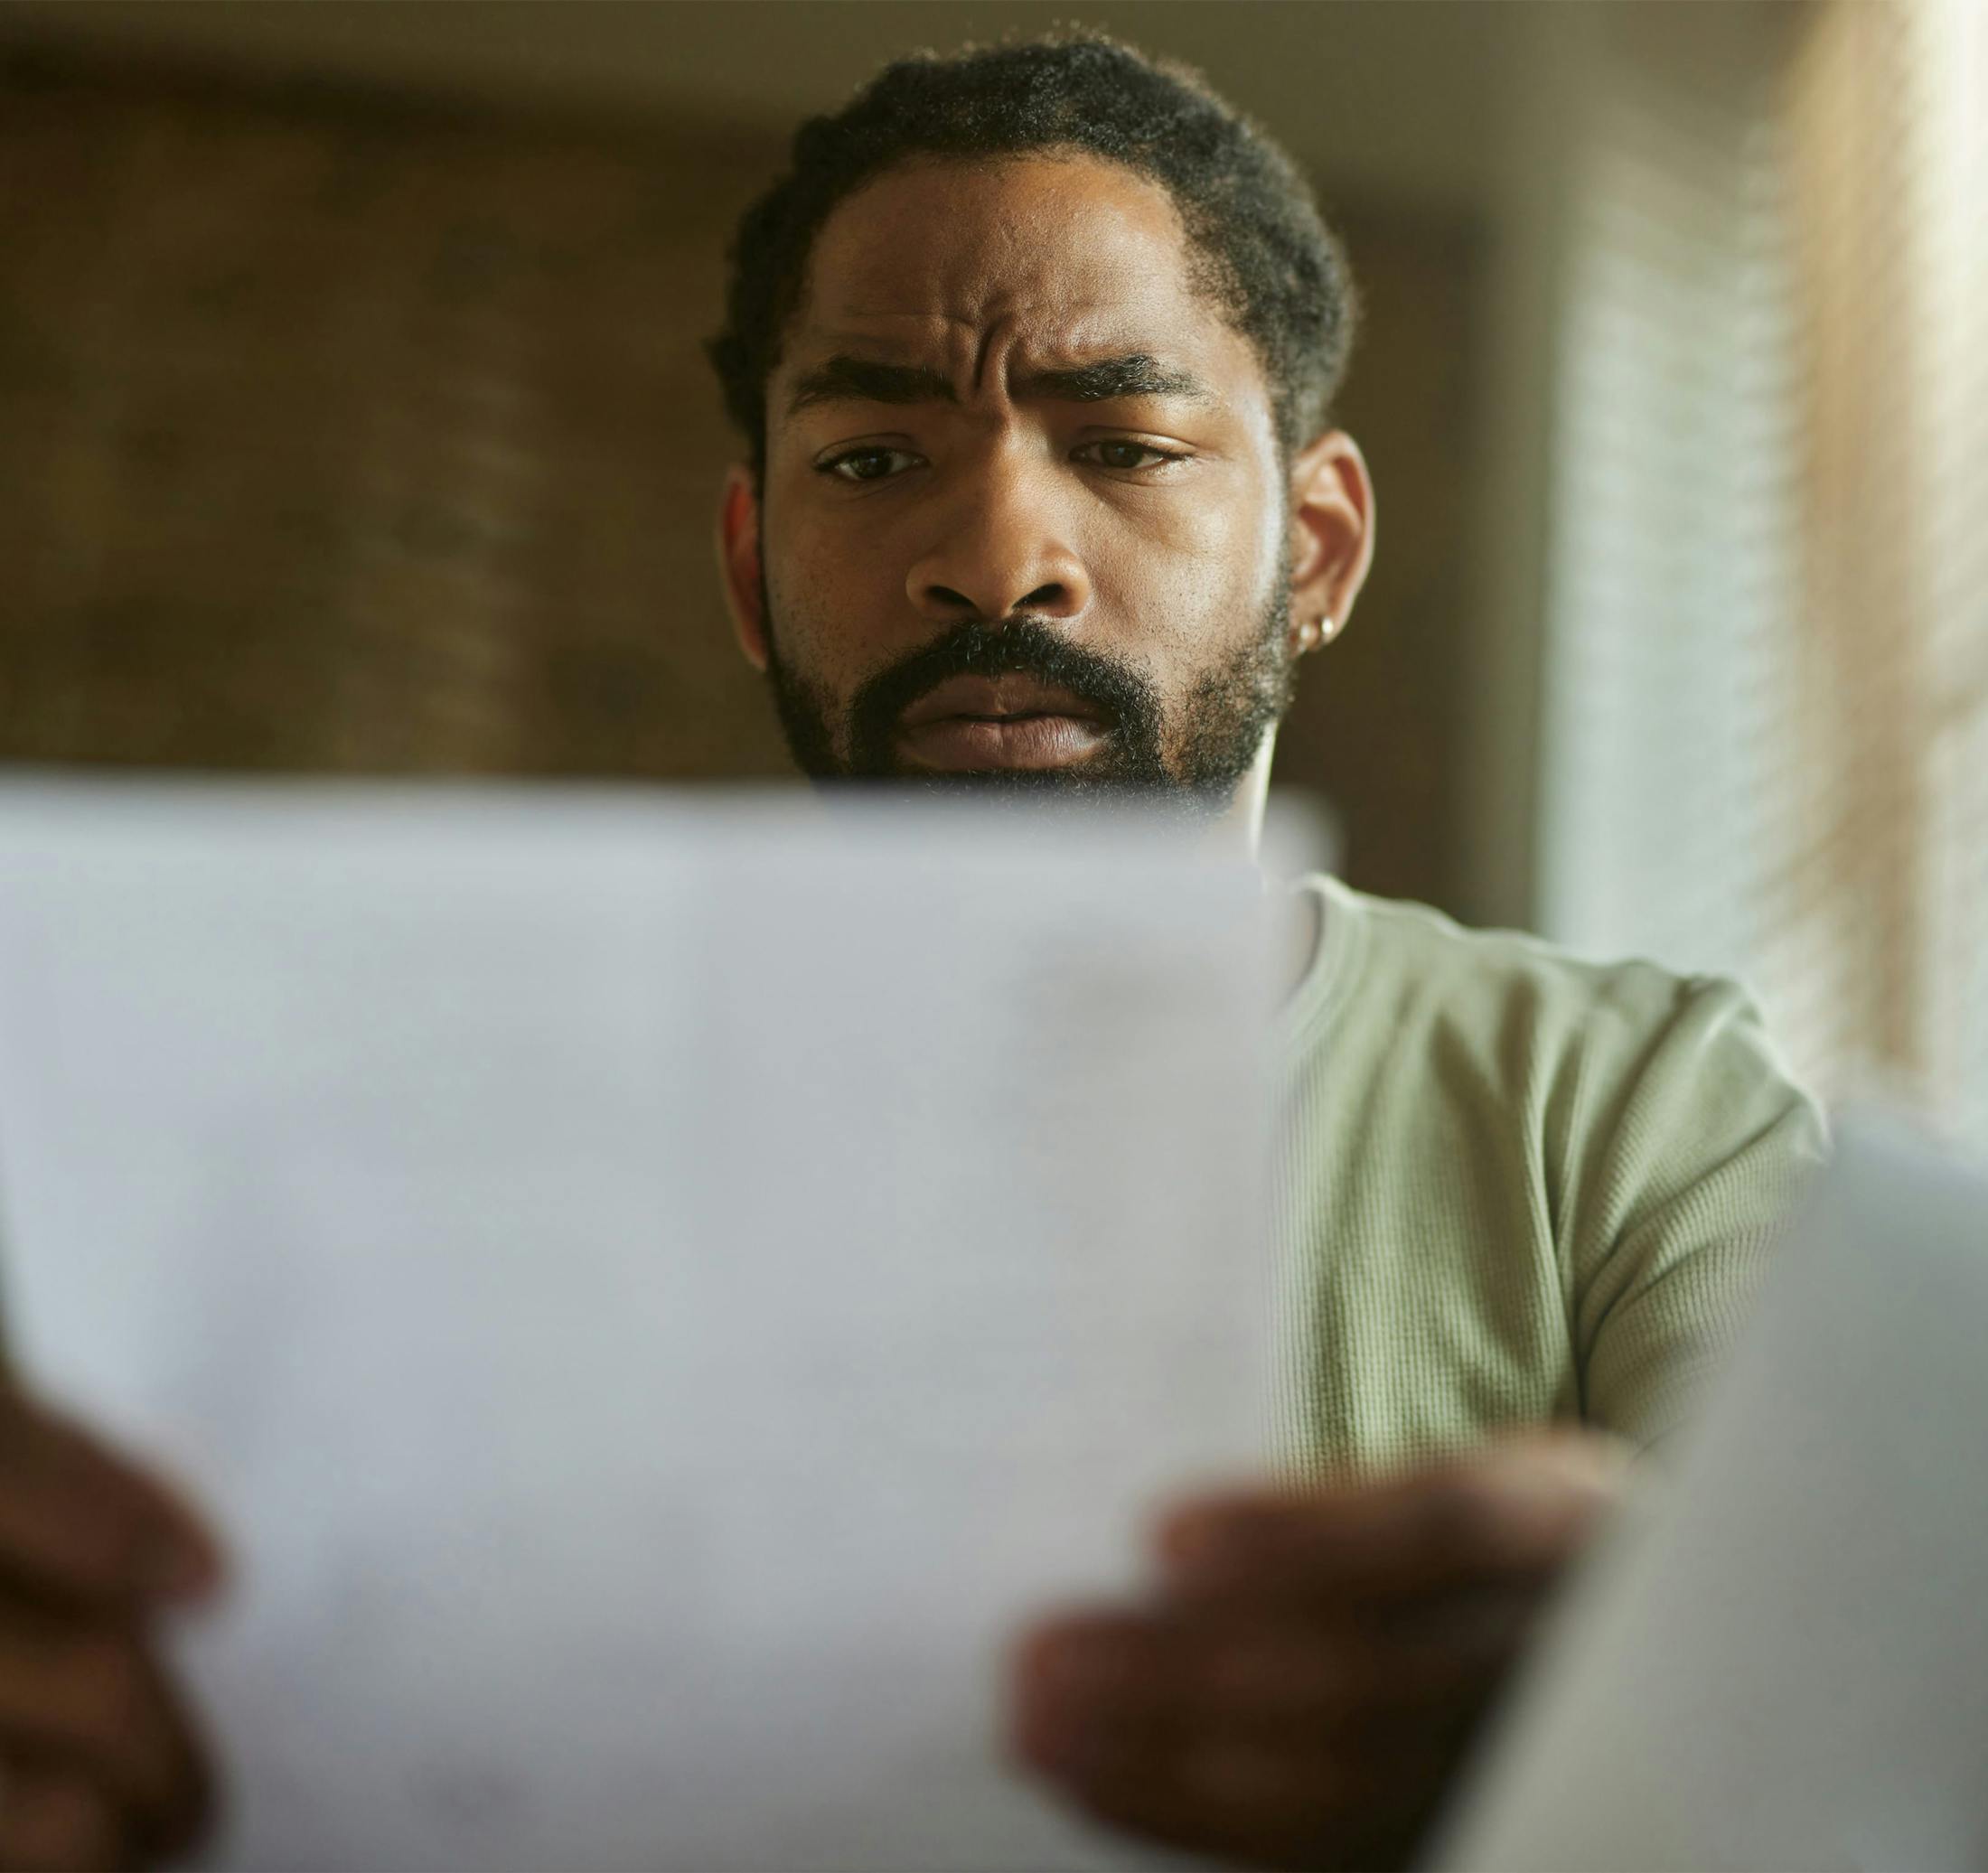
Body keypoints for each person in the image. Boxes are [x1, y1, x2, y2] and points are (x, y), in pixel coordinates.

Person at [0, 29, 1824, 1873]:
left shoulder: (1628, 1112)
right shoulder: (356, 1139)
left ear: (1317, 550)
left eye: (1121, 445)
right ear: (748, 567)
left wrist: (1647, 1708)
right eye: (872, 454)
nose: (996, 555)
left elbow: (1874, 1743)